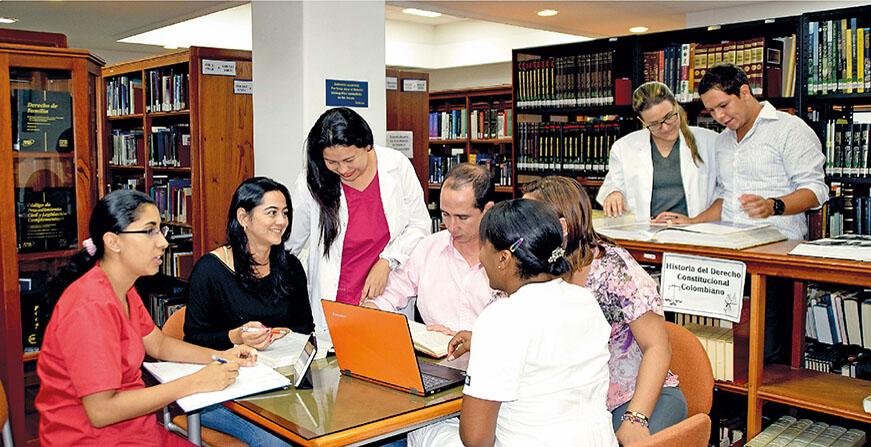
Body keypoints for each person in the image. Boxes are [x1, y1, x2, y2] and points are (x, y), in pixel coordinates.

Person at [36, 190, 255, 447]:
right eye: (150, 231)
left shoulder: (124, 288)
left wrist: (220, 356)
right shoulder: (89, 306)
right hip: (91, 439)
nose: (163, 242)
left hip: (136, 431)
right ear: (113, 242)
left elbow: (159, 345)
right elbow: (101, 412)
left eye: (161, 231)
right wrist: (196, 382)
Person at [410, 199, 615, 447]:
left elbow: (476, 439)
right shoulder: (585, 301)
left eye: (482, 247)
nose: (481, 258)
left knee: (424, 429)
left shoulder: (501, 318)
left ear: (504, 258)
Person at [522, 176, 686, 445]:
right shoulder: (530, 265)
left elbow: (658, 347)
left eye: (530, 220)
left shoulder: (613, 268)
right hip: (571, 402)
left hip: (633, 399)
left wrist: (636, 418)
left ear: (562, 227)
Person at [684, 63, 828, 362]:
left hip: (776, 256)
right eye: (712, 112)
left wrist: (773, 205)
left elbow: (816, 190)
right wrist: (691, 222)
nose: (720, 117)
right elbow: (726, 196)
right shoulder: (723, 141)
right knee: (728, 346)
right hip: (731, 254)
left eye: (723, 106)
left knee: (770, 347)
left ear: (745, 92)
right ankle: (731, 405)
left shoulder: (790, 129)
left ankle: (774, 409)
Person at [184, 177, 313, 447]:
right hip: (225, 390)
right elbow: (193, 340)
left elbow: (305, 326)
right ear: (244, 217)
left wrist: (287, 333)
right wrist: (236, 336)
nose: (282, 221)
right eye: (272, 212)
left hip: (280, 384)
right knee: (283, 444)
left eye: (285, 213)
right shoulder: (210, 270)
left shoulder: (291, 267)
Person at [288, 107, 431, 331]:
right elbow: (289, 242)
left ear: (367, 145)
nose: (343, 170)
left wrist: (387, 261)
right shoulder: (312, 180)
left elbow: (420, 226)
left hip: (385, 297)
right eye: (332, 162)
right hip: (334, 300)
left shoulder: (396, 165)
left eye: (349, 159)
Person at [362, 163, 497, 335]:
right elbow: (392, 291)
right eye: (445, 214)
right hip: (435, 357)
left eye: (462, 217)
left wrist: (470, 340)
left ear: (487, 210)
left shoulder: (507, 255)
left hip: (489, 357)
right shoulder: (428, 249)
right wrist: (372, 308)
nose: (452, 226)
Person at [598, 81, 719, 222]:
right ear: (642, 121)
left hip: (698, 232)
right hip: (647, 235)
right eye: (655, 124)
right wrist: (613, 193)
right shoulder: (623, 148)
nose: (666, 128)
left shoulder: (710, 141)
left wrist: (694, 221)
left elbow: (724, 194)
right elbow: (612, 185)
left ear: (676, 106)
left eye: (669, 117)